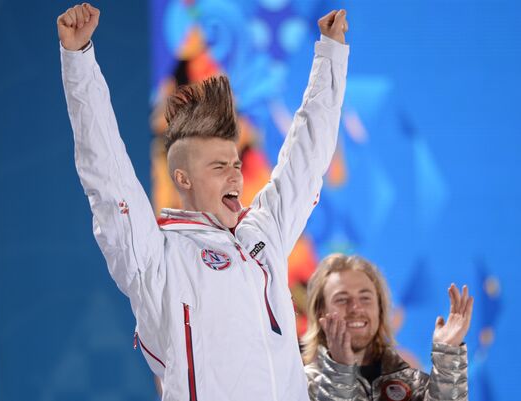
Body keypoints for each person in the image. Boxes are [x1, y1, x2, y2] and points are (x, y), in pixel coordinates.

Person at [58, 3, 349, 400]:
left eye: (235, 162)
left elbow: (308, 156)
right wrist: (78, 60)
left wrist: (330, 55)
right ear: (183, 178)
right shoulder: (156, 256)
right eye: (218, 167)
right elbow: (106, 172)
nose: (235, 175)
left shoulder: (263, 234)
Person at [302, 254, 473, 401]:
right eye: (341, 299)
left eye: (365, 298)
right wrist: (339, 372)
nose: (355, 308)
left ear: (380, 310)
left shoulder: (409, 380)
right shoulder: (298, 383)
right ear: (319, 313)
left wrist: (448, 357)